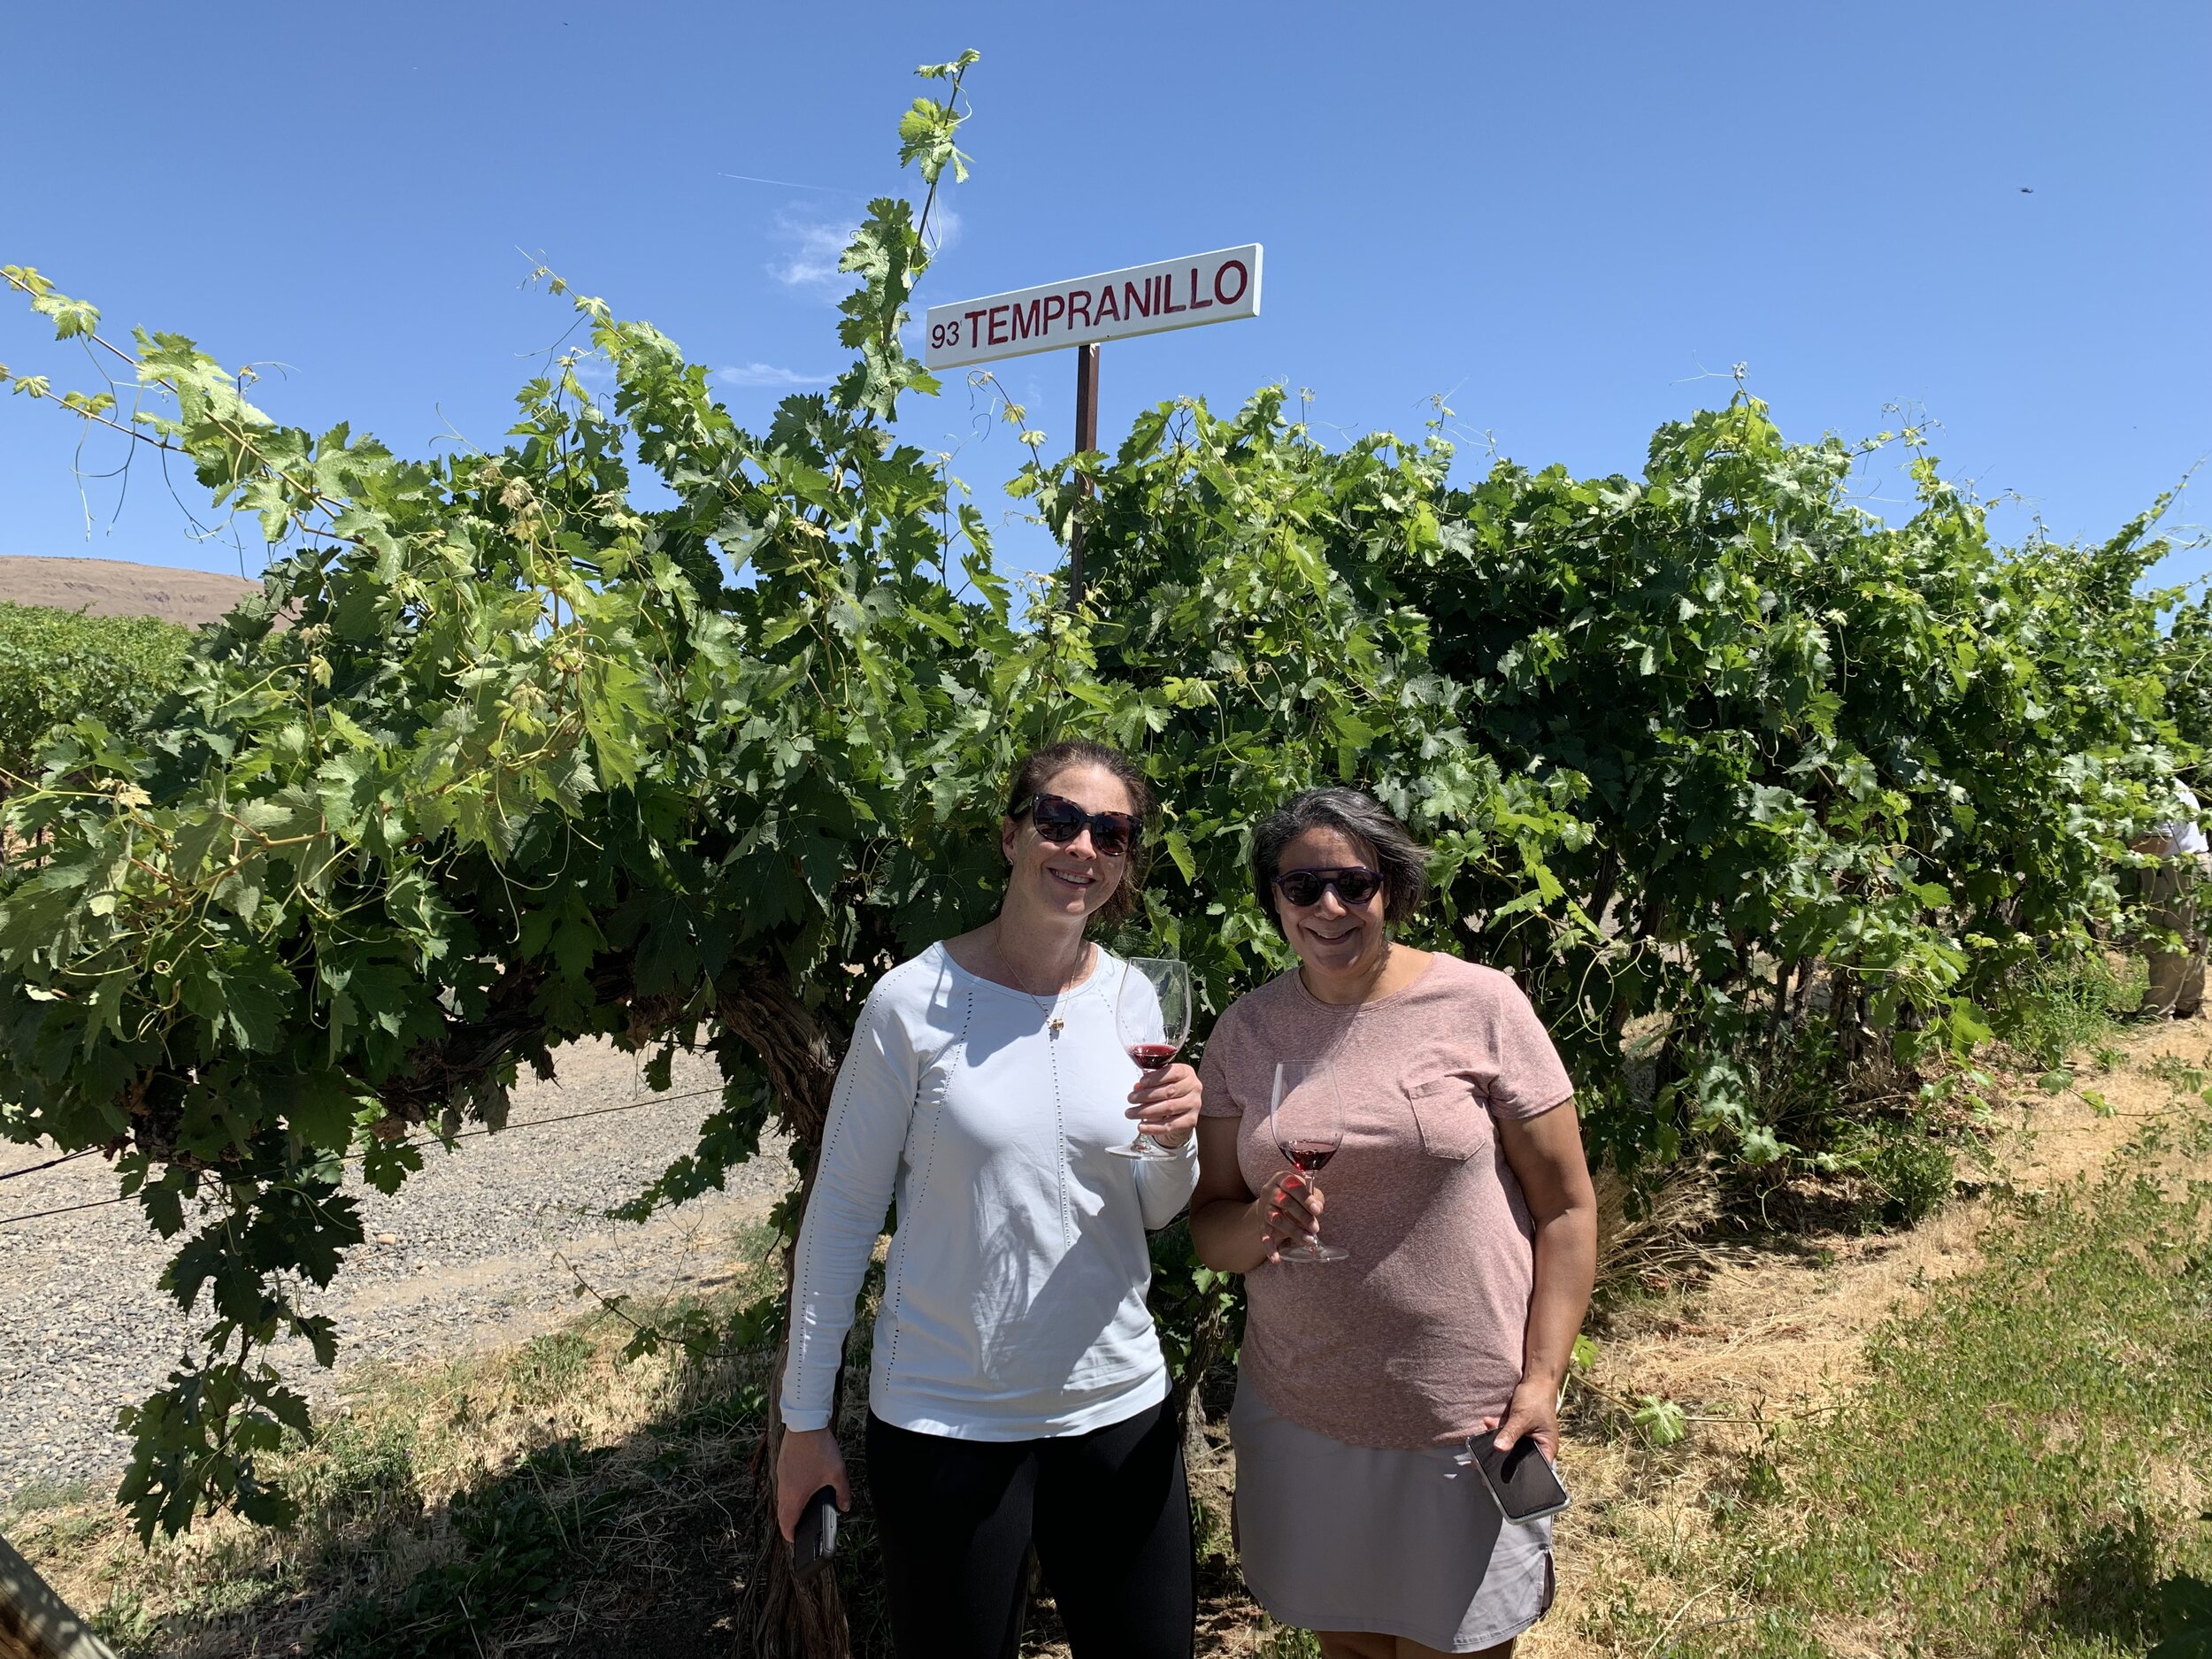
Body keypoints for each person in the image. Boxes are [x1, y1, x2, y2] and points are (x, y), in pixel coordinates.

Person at [774, 740, 1202, 1659]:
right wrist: (805, 1424)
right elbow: (844, 1216)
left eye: (1111, 832)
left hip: (1116, 1405)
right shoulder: (912, 1003)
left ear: (1124, 861)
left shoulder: (1134, 999)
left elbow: (1156, 1209)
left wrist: (1177, 1141)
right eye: (1058, 820)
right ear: (1011, 837)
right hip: (947, 1421)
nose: (1082, 846)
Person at [1189, 787, 1599, 1659]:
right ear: (1272, 900)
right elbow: (1210, 1233)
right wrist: (1264, 1222)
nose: (1328, 907)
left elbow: (1566, 1207)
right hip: (1302, 1414)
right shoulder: (1246, 1030)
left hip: (1463, 1419)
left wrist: (1541, 1381)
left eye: (1353, 883)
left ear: (1392, 890)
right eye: (1301, 888)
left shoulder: (1480, 1005)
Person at [2137, 778, 2210, 1018]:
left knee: (2169, 940)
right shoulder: (2174, 784)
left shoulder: (2154, 788)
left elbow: (2159, 842)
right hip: (2195, 865)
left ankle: (2157, 1012)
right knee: (2192, 939)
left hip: (2175, 871)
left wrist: (2119, 843)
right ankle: (2187, 1005)